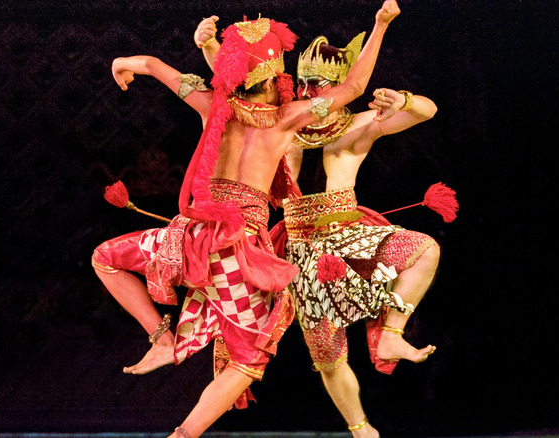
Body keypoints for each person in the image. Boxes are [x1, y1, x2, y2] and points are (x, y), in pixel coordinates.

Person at [92, 3, 401, 437]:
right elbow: (353, 85)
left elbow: (150, 64)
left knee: (105, 258)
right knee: (246, 361)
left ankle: (160, 338)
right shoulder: (286, 121)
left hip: (189, 241)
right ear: (278, 77)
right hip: (238, 257)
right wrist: (380, 24)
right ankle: (184, 433)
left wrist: (125, 63)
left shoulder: (212, 107)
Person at [192, 13, 453, 438]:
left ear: (339, 89)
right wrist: (207, 49)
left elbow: (429, 110)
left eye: (320, 86)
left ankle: (391, 333)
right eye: (305, 84)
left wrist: (401, 100)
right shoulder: (284, 125)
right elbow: (238, 86)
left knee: (425, 248)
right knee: (329, 356)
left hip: (349, 238)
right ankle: (360, 427)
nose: (310, 92)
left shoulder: (357, 128)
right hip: (298, 250)